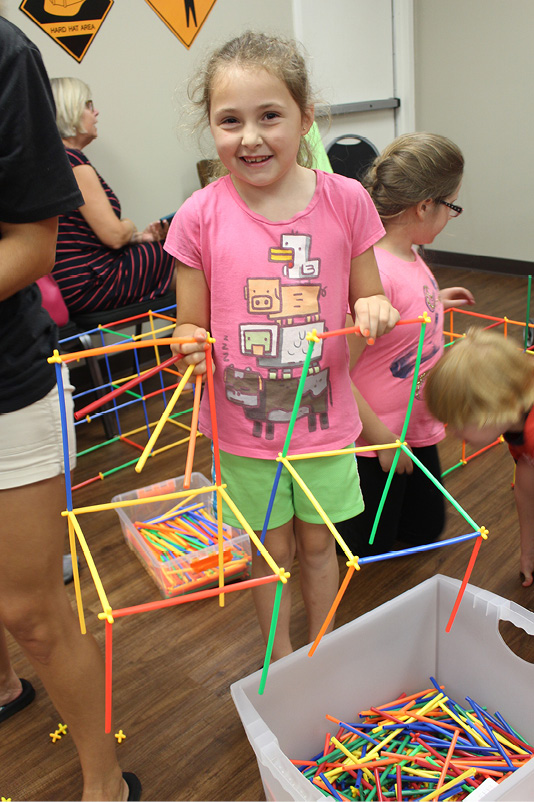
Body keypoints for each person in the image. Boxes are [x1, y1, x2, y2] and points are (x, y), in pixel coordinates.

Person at [164, 31, 399, 660]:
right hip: (244, 430)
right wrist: (186, 341)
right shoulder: (198, 215)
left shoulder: (346, 201)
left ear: (306, 117)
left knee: (321, 547)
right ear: (210, 126)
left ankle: (323, 649)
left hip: (322, 423)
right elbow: (187, 324)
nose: (251, 137)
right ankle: (282, 654)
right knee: (269, 553)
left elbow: (367, 298)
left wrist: (374, 307)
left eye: (271, 116)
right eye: (229, 120)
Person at [0, 17, 139, 801]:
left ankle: (103, 779)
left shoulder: (5, 57)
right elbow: (116, 238)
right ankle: (5, 686)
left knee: (32, 609)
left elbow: (38, 247)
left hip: (11, 372)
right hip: (85, 298)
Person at [336, 133, 475, 557]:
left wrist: (433, 302)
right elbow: (335, 372)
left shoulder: (410, 255)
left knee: (425, 529)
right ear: (424, 206)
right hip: (374, 440)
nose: (452, 216)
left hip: (414, 428)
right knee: (367, 549)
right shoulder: (373, 275)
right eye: (452, 206)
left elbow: (406, 310)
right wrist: (382, 443)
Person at [50, 76, 175, 315]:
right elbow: (114, 236)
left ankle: (193, 337)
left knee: (171, 251)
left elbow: (85, 237)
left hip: (72, 283)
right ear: (69, 111)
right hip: (91, 283)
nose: (95, 112)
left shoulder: (55, 163)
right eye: (87, 105)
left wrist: (139, 238)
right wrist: (129, 226)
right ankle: (208, 338)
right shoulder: (73, 164)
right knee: (184, 253)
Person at [425, 326, 534, 588]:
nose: (453, 432)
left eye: (460, 421)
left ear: (499, 404)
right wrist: (528, 551)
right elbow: (526, 483)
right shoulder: (516, 420)